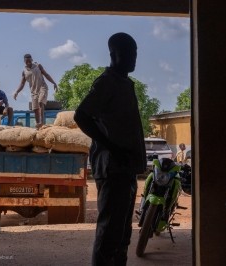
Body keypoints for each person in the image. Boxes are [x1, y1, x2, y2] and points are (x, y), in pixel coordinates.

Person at [74, 32, 146, 266]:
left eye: (135, 53)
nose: (134, 58)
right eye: (129, 54)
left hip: (125, 170)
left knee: (122, 235)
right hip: (113, 169)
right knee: (109, 235)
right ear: (115, 54)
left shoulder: (124, 83)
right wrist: (112, 147)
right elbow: (81, 116)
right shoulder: (107, 82)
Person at [13, 54, 58, 128]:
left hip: (42, 87)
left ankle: (42, 123)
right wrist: (17, 92)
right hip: (34, 92)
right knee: (35, 109)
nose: (28, 62)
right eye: (26, 61)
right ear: (24, 61)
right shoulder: (24, 71)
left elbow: (46, 75)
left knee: (40, 102)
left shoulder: (38, 66)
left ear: (32, 60)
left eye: (29, 60)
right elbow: (22, 83)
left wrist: (54, 83)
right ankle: (38, 125)